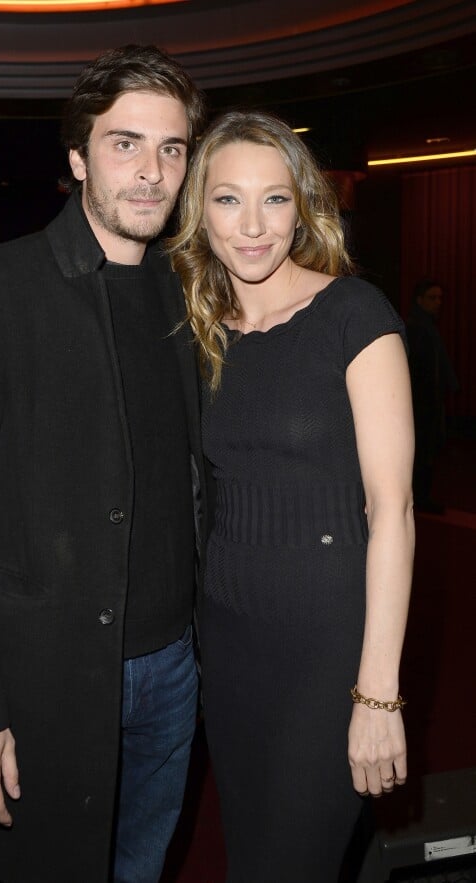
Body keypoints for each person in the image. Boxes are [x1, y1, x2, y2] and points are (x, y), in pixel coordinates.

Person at [0, 45, 207, 883]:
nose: (151, 171)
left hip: (174, 672)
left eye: (172, 148)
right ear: (77, 157)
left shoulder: (187, 296)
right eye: (125, 144)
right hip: (46, 678)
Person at [168, 110, 415, 882]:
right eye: (228, 200)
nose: (252, 226)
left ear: (304, 205)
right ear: (198, 210)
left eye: (274, 200)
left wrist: (377, 694)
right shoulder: (201, 326)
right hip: (230, 643)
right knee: (250, 855)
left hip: (330, 643)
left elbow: (393, 510)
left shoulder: (354, 315)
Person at [406, 278, 459, 512]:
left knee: (427, 451)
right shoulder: (416, 327)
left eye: (440, 298)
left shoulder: (426, 326)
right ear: (420, 300)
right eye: (432, 297)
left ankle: (422, 497)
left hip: (427, 402)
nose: (438, 302)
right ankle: (420, 499)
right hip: (420, 404)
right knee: (421, 452)